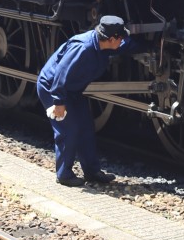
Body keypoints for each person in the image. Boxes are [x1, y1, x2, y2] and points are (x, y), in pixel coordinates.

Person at [36, 16, 130, 186]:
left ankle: (92, 172)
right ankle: (64, 175)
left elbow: (127, 46)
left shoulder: (104, 45)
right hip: (53, 88)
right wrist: (58, 102)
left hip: (72, 90)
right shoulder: (83, 48)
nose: (123, 40)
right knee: (69, 129)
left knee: (86, 126)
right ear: (111, 39)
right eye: (121, 37)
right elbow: (61, 73)